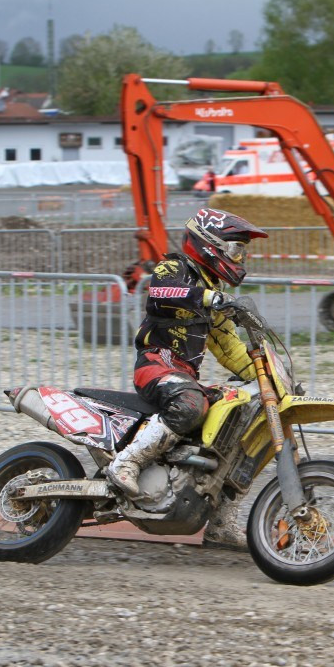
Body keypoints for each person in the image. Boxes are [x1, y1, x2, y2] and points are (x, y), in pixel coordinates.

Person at [103, 208, 267, 502]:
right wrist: (208, 298)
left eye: (242, 251)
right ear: (210, 243)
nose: (239, 258)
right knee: (191, 404)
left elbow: (230, 350)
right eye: (235, 249)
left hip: (184, 375)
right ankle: (127, 461)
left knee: (237, 416)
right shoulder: (173, 267)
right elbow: (160, 292)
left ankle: (218, 521)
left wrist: (269, 378)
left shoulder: (213, 295)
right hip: (157, 365)